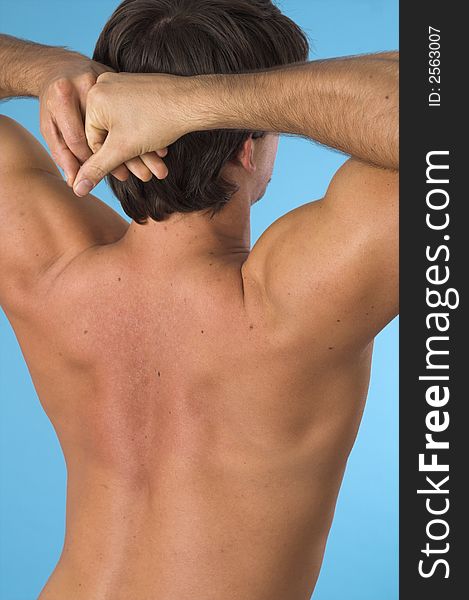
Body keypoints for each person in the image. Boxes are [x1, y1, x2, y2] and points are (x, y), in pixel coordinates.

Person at [0, 1, 398, 598]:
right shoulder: (293, 305)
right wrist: (211, 104)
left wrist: (48, 71)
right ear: (248, 146)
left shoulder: (48, 268)